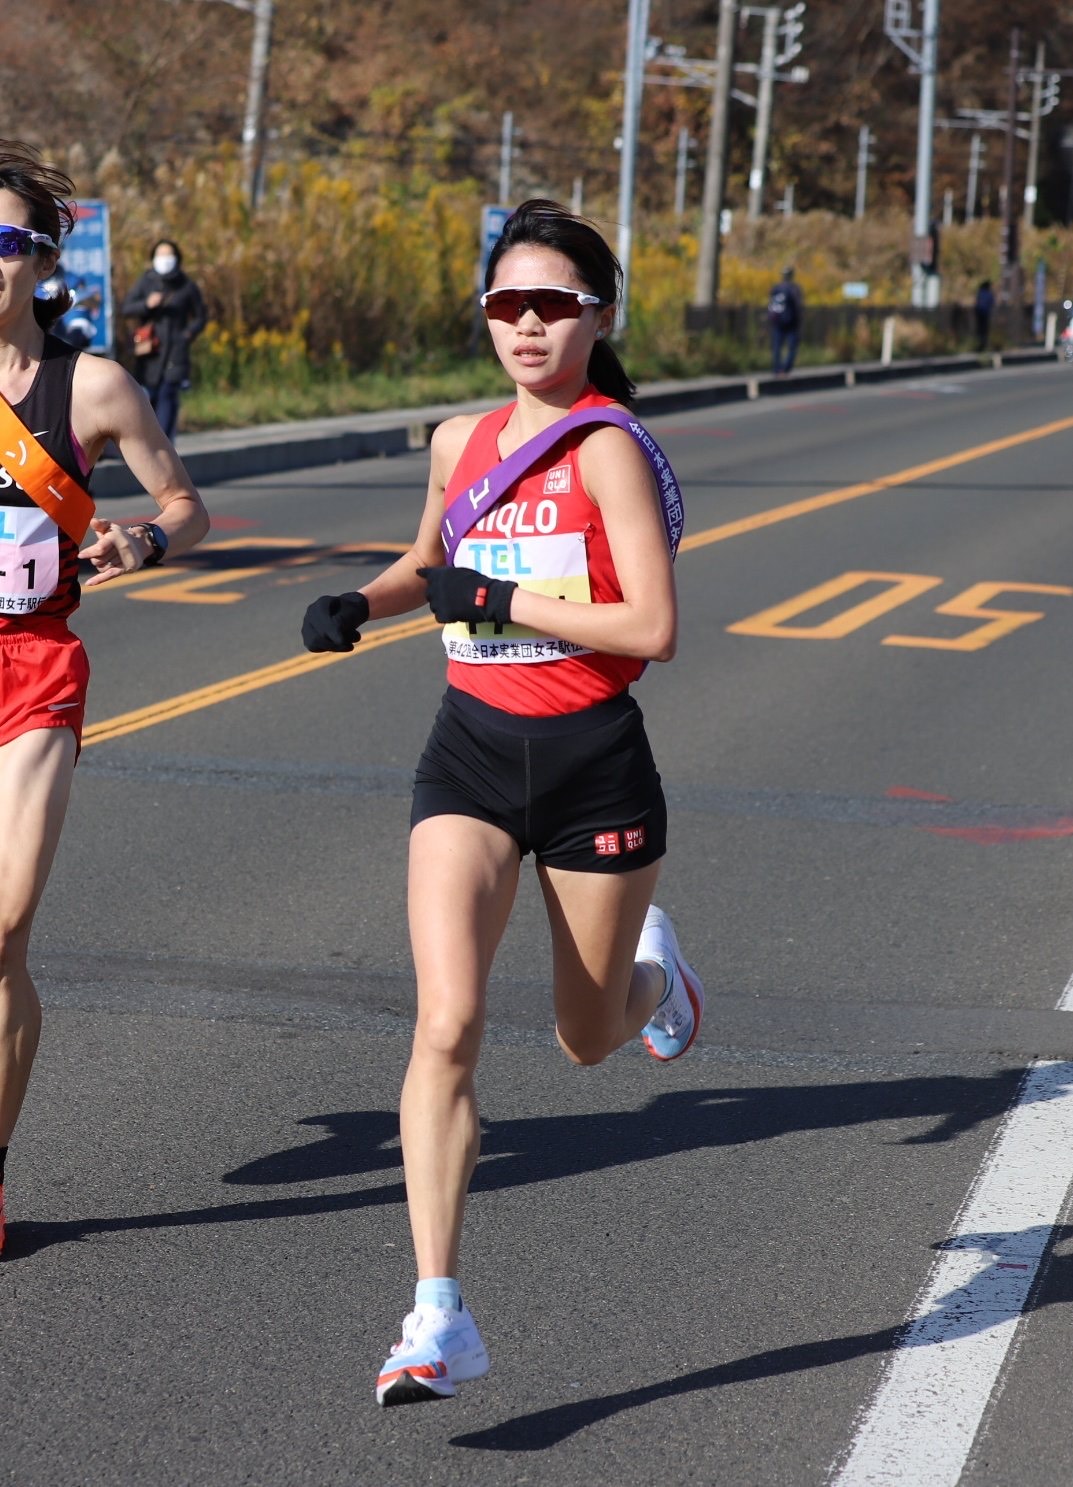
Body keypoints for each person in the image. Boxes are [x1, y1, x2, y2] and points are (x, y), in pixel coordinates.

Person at [302, 198, 703, 1407]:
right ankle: (437, 1312)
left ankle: (656, 977)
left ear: (598, 315)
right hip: (468, 756)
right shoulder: (457, 440)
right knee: (445, 1022)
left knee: (586, 1034)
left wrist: (501, 596)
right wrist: (361, 606)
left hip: (593, 768)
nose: (525, 326)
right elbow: (434, 563)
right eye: (505, 305)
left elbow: (651, 627)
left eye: (552, 305)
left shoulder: (608, 449)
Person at [0, 141, 210, 1256]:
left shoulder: (90, 384)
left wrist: (146, 534)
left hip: (32, 665)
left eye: (3, 241)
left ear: (40, 260)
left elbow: (187, 502)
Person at [120, 238, 206, 441]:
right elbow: (127, 308)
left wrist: (187, 334)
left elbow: (201, 316)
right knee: (150, 397)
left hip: (176, 352)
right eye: (160, 255)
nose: (165, 259)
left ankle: (165, 445)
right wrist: (147, 304)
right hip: (150, 351)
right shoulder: (146, 281)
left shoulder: (186, 286)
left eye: (169, 255)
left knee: (168, 396)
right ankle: (152, 445)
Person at [768, 265, 804, 376]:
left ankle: (777, 369)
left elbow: (771, 304)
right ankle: (785, 369)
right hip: (791, 322)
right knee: (792, 347)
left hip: (777, 322)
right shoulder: (794, 289)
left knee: (776, 347)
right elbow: (799, 306)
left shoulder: (776, 288)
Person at [974, 279, 995, 352]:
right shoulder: (989, 293)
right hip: (985, 313)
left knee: (980, 330)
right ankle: (983, 344)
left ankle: (980, 345)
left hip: (979, 313)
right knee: (984, 330)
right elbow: (992, 302)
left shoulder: (980, 292)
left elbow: (977, 302)